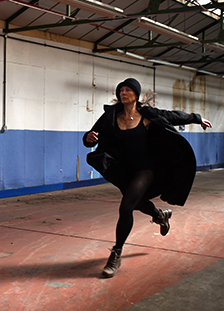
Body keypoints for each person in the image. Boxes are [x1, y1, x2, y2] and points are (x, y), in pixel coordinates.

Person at [83, 77, 212, 278]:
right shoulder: (111, 115)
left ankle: (116, 253)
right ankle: (160, 216)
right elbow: (92, 135)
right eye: (121, 90)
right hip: (122, 170)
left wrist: (197, 118)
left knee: (127, 206)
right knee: (137, 202)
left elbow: (172, 116)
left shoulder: (147, 114)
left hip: (145, 169)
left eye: (127, 90)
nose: (123, 93)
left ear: (136, 94)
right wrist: (88, 138)